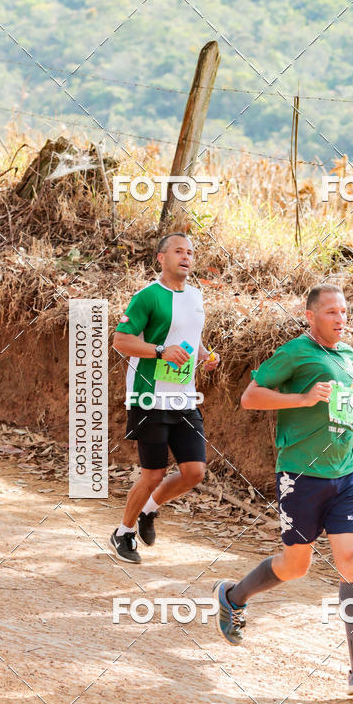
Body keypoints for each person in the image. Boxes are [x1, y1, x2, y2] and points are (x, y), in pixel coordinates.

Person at [214, 283, 353, 696]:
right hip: (300, 475)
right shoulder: (296, 352)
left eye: (344, 312)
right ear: (311, 316)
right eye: (330, 312)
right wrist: (302, 398)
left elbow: (337, 404)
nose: (340, 318)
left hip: (345, 474)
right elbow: (251, 398)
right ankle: (233, 597)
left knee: (352, 561)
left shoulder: (346, 355)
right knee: (296, 566)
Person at [110, 232, 219, 564]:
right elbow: (120, 341)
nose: (185, 257)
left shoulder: (197, 296)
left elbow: (190, 339)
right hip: (149, 398)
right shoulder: (148, 297)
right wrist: (160, 351)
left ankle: (149, 510)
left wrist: (205, 355)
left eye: (190, 252)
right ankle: (123, 533)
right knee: (153, 475)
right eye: (177, 251)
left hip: (184, 399)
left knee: (194, 472)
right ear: (161, 258)